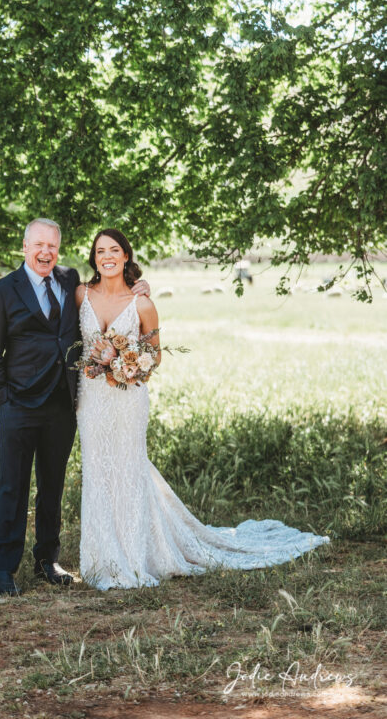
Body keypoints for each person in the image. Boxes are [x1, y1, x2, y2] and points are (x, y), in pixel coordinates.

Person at [75, 229, 330, 590]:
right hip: (91, 401)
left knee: (129, 469)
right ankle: (101, 557)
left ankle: (133, 556)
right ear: (94, 257)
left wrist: (128, 363)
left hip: (128, 399)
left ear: (126, 255)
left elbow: (155, 356)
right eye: (100, 251)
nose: (107, 257)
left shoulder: (142, 303)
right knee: (97, 470)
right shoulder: (81, 294)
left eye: (114, 250)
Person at [0, 218, 149, 595]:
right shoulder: (2, 291)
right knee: (12, 486)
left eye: (52, 246)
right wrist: (3, 399)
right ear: (25, 247)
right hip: (19, 405)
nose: (46, 252)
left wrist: (142, 286)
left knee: (52, 486)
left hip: (62, 403)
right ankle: (4, 568)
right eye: (39, 245)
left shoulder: (70, 280)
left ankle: (47, 559)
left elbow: (108, 289)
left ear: (58, 250)